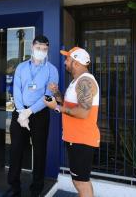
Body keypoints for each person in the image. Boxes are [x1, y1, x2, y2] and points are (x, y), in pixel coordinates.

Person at [6, 35, 59, 197]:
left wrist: (30, 112)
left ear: (47, 50)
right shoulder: (21, 67)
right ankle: (14, 187)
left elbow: (49, 96)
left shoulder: (52, 70)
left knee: (39, 151)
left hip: (40, 115)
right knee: (15, 150)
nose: (41, 51)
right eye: (38, 48)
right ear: (32, 48)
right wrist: (22, 112)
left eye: (44, 49)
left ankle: (36, 189)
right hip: (20, 113)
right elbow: (16, 90)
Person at [44, 47, 100, 197]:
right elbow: (69, 105)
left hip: (82, 140)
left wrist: (56, 107)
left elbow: (83, 112)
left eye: (68, 59)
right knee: (80, 181)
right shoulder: (77, 81)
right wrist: (56, 93)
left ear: (76, 63)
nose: (65, 62)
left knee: (81, 183)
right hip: (76, 139)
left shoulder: (85, 81)